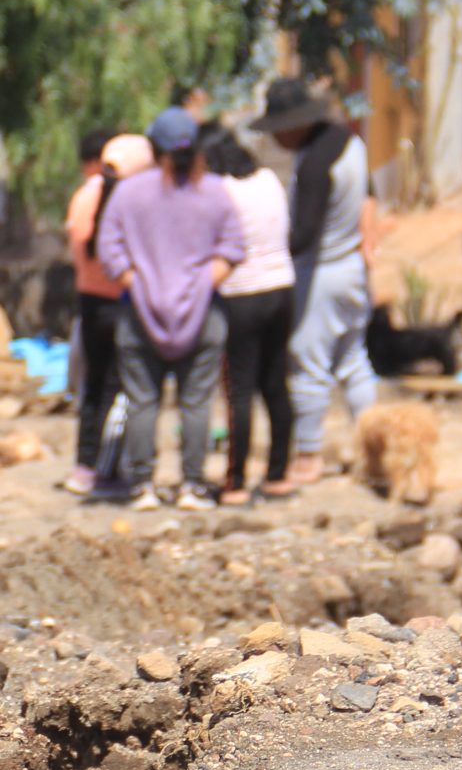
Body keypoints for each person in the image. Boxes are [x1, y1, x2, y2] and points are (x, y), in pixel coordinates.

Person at [94, 107, 243, 509]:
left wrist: (138, 283)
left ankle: (142, 485)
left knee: (143, 400)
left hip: (138, 315)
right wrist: (198, 286)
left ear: (153, 147)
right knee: (196, 403)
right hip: (204, 316)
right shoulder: (213, 190)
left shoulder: (129, 192)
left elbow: (108, 249)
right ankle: (193, 485)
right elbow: (233, 247)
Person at [256, 76, 379, 484]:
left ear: (294, 125)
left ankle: (308, 456)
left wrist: (263, 250)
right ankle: (373, 445)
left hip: (322, 274)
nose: (275, 140)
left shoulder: (313, 165)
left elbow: (304, 234)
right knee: (353, 361)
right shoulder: (349, 141)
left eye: (278, 131)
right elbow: (369, 197)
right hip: (353, 270)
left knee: (308, 364)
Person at [205, 129, 297, 500]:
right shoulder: (268, 179)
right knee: (276, 385)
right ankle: (277, 475)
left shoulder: (219, 189)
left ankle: (236, 481)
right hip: (282, 288)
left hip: (241, 293)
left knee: (239, 390)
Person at [61, 129, 154, 493]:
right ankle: (109, 469)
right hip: (124, 304)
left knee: (93, 387)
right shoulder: (138, 204)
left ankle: (84, 466)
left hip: (89, 303)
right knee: (123, 388)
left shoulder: (83, 197)